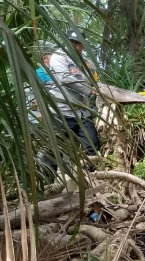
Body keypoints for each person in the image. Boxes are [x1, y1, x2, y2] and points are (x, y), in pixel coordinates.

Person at [45, 28, 100, 175]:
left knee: (92, 147)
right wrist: (89, 90)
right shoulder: (58, 56)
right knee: (54, 149)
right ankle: (46, 184)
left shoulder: (85, 62)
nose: (75, 46)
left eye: (78, 43)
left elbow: (93, 77)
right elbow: (65, 78)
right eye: (72, 42)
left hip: (82, 112)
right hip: (62, 112)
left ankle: (94, 179)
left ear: (83, 45)